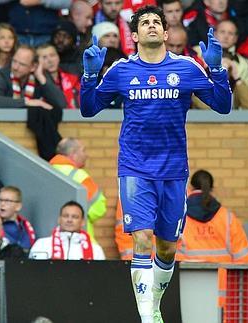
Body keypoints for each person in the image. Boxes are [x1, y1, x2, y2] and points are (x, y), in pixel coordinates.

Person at [80, 6, 231, 322]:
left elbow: (223, 106)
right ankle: (147, 316)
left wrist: (217, 69)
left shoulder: (187, 68)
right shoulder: (121, 70)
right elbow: (88, 109)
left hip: (174, 171)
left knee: (166, 248)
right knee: (142, 238)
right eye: (144, 23)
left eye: (156, 23)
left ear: (166, 33)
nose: (151, 26)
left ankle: (155, 305)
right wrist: (90, 76)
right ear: (134, 36)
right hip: (135, 168)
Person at [0, 45, 66, 160]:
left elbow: (61, 103)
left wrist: (41, 77)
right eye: (14, 61)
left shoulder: (40, 75)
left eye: (22, 64)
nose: (16, 67)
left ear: (33, 67)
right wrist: (27, 102)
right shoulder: (2, 75)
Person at [176, 170, 248, 264]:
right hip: (221, 277)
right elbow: (243, 258)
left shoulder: (178, 215)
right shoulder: (227, 218)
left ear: (190, 188)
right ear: (212, 189)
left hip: (185, 276)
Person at [49, 138, 106, 242]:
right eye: (83, 150)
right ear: (73, 153)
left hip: (51, 240)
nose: (86, 155)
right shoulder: (80, 176)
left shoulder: (45, 171)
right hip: (81, 240)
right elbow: (99, 207)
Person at [29, 201, 105, 260]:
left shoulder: (96, 250)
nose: (69, 220)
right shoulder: (41, 245)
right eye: (65, 216)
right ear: (59, 219)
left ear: (82, 222)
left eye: (75, 217)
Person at [0, 186, 36, 251]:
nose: (2, 204)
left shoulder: (26, 227)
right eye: (0, 200)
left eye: (7, 201)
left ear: (18, 206)